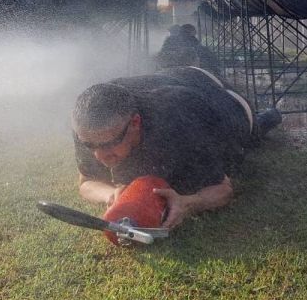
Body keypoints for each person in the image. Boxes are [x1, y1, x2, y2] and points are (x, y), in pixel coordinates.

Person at [72, 67, 282, 229]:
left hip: (222, 102)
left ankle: (268, 117)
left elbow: (224, 189)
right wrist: (110, 195)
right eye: (89, 145)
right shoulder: (90, 124)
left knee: (251, 132)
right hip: (173, 78)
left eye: (110, 144)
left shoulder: (177, 124)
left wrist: (188, 203)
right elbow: (86, 182)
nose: (99, 155)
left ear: (135, 123)